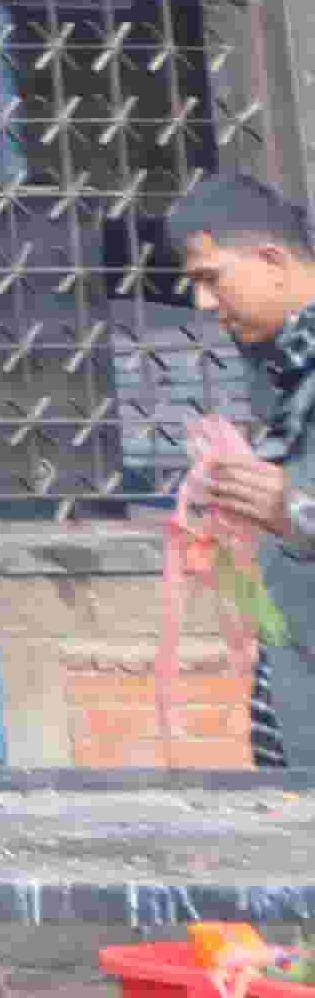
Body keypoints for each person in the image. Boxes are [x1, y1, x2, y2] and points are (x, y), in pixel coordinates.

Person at [166, 164, 315, 763]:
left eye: (211, 278)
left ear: (274, 261)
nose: (204, 302)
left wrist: (295, 509)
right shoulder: (284, 373)